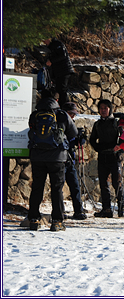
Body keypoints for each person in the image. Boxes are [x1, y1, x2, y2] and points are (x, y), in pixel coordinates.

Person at [27, 88, 78, 231]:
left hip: (37, 156)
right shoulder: (61, 114)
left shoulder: (35, 114)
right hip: (57, 158)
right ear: (56, 100)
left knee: (37, 187)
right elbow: (73, 132)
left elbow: (31, 131)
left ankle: (34, 219)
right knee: (57, 189)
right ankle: (57, 221)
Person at [89, 99, 124, 218]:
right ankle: (107, 209)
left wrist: (119, 148)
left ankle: (121, 208)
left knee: (117, 183)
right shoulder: (98, 124)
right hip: (103, 156)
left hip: (115, 157)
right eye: (101, 108)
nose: (103, 110)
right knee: (103, 184)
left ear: (110, 109)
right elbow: (92, 139)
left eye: (105, 108)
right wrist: (98, 148)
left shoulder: (116, 123)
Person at [61, 102, 87, 220]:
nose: (73, 116)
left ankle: (78, 210)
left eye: (74, 114)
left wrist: (80, 139)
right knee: (59, 187)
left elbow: (74, 142)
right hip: (61, 159)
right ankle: (59, 211)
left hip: (70, 159)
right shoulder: (60, 123)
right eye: (71, 113)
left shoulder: (72, 124)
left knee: (75, 186)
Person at [43, 38, 75, 106]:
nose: (44, 42)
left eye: (45, 40)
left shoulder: (57, 44)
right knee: (59, 90)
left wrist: (51, 61)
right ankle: (63, 106)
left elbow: (63, 55)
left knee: (62, 90)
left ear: (49, 38)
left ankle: (66, 107)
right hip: (58, 72)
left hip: (64, 70)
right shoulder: (50, 47)